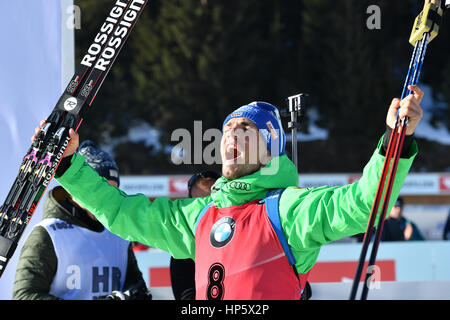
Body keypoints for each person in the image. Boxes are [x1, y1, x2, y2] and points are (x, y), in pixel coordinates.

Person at [34, 80, 424, 300]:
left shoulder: (288, 210)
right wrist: (69, 165)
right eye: (228, 130)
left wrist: (395, 140)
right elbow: (122, 212)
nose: (230, 137)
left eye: (245, 130)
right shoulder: (201, 215)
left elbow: (361, 204)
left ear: (270, 149)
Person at [12, 141, 150, 300]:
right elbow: (24, 295)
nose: (105, 201)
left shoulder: (120, 232)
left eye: (112, 193)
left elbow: (135, 285)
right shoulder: (48, 233)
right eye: (99, 191)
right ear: (76, 190)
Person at [170, 171, 221, 300]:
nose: (204, 210)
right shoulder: (184, 245)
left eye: (211, 201)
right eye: (197, 204)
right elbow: (185, 293)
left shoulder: (244, 230)